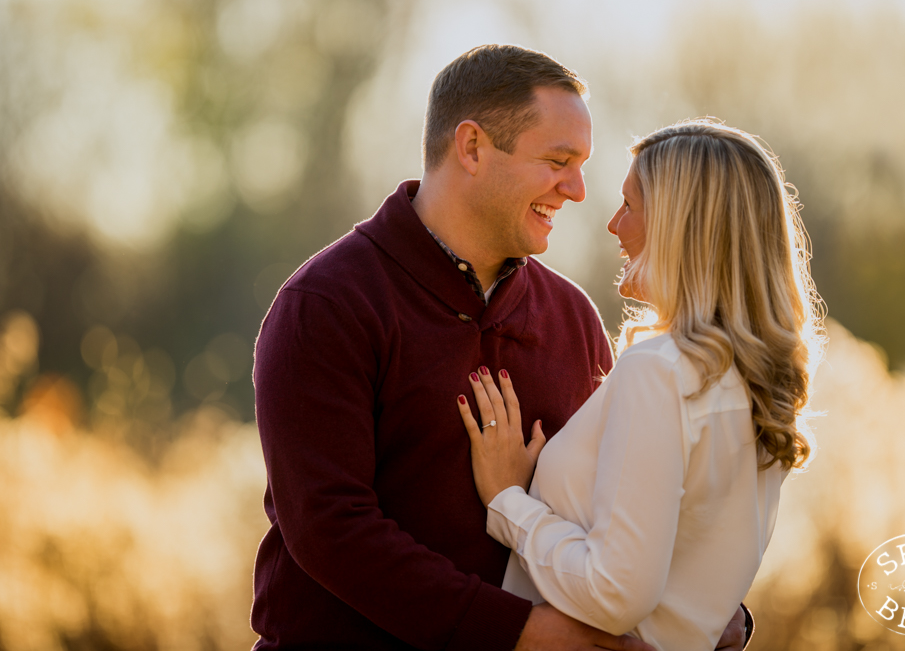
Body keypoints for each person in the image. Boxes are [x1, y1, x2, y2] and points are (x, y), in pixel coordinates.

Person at [251, 45, 748, 650]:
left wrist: (704, 608)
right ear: (472, 148)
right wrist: (516, 633)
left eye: (582, 164)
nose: (578, 190)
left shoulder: (573, 318)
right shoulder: (328, 305)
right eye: (559, 160)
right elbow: (330, 528)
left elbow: (621, 506)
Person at [457, 120, 825, 650]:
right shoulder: (754, 382)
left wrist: (508, 500)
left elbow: (615, 594)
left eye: (630, 205)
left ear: (681, 225)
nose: (613, 225)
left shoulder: (659, 370)